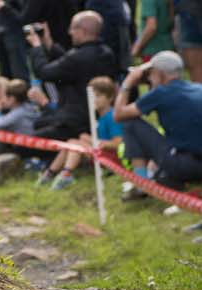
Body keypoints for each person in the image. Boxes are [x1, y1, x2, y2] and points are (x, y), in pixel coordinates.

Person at [28, 10, 117, 157]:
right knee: (40, 123)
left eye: (73, 28)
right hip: (91, 117)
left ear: (83, 31)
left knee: (24, 144)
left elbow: (44, 72)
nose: (70, 32)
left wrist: (37, 47)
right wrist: (49, 44)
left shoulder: (78, 57)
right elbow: (70, 66)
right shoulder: (106, 52)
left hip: (74, 123)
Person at [113, 50, 202, 193]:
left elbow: (118, 114)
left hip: (184, 165)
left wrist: (128, 82)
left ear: (160, 74)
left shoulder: (161, 93)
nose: (149, 78)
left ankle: (141, 184)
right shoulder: (198, 88)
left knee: (130, 123)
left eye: (151, 73)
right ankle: (158, 176)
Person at [41, 77, 121, 190]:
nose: (93, 100)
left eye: (98, 96)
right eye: (91, 96)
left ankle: (66, 174)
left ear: (110, 97)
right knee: (71, 142)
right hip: (101, 155)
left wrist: (92, 141)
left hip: (112, 161)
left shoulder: (112, 117)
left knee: (76, 144)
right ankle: (50, 173)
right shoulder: (99, 117)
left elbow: (117, 144)